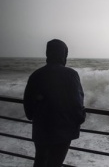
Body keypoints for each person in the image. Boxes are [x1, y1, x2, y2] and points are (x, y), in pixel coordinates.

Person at [23, 39, 86, 167]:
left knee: (40, 161)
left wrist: (34, 116)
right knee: (55, 163)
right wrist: (80, 118)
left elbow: (28, 105)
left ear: (48, 53)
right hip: (63, 131)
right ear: (64, 55)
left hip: (41, 129)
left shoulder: (36, 75)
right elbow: (77, 101)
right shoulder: (71, 74)